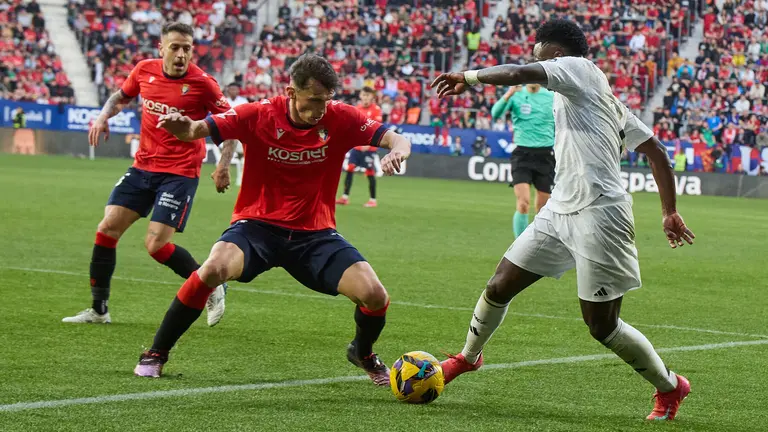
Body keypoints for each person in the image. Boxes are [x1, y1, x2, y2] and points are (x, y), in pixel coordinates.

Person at [431, 19, 695, 421]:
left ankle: (671, 386)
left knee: (602, 327)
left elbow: (520, 73)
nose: (532, 53)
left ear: (552, 51)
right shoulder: (599, 96)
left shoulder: (577, 68)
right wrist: (669, 209)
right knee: (499, 285)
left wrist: (468, 76)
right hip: (559, 210)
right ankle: (468, 358)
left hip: (601, 214)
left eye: (536, 47)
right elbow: (657, 151)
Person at [132, 54, 412, 386]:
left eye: (326, 101)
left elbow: (396, 137)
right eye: (314, 100)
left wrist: (398, 149)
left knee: (375, 295)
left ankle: (362, 352)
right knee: (213, 269)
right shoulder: (258, 113)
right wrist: (186, 129)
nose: (321, 109)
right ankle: (156, 353)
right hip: (257, 227)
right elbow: (198, 128)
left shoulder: (340, 117)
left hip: (315, 234)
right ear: (292, 92)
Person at [62, 22, 236, 327]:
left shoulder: (203, 83)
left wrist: (222, 165)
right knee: (107, 229)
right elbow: (119, 97)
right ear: (162, 48)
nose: (182, 54)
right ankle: (99, 310)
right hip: (143, 167)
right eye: (175, 47)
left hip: (180, 173)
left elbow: (230, 125)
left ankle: (212, 284)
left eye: (187, 48)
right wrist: (103, 116)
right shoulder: (145, 70)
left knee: (155, 246)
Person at [491, 84, 555, 238]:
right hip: (522, 155)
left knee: (542, 208)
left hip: (545, 156)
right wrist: (509, 93)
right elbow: (495, 114)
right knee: (523, 202)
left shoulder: (551, 96)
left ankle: (538, 244)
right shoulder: (516, 94)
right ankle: (520, 245)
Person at [336, 87, 384, 208]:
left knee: (369, 172)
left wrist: (368, 144)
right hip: (357, 147)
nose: (366, 98)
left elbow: (376, 129)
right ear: (360, 96)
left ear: (372, 97)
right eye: (364, 95)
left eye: (368, 96)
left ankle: (373, 200)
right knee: (350, 168)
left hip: (369, 148)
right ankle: (345, 197)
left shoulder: (376, 110)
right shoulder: (356, 109)